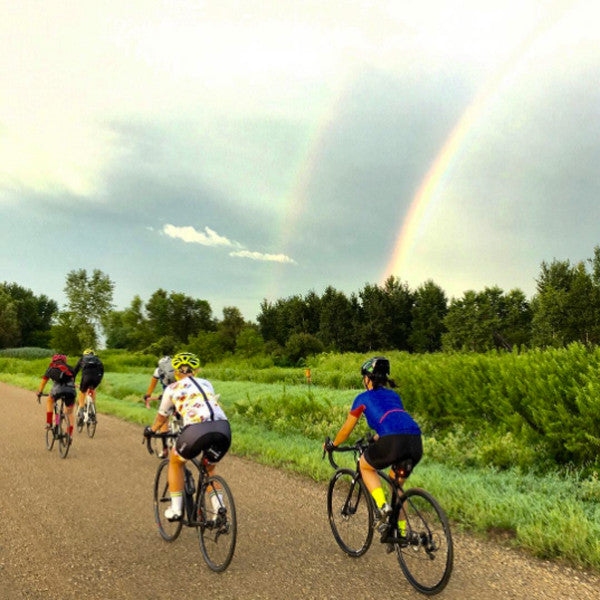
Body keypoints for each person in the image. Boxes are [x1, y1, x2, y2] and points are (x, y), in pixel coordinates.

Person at [327, 356, 422, 536]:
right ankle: (402, 534)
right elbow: (394, 421)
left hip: (393, 441)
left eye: (364, 376)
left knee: (365, 465)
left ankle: (382, 507)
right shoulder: (394, 395)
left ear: (368, 378)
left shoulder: (363, 398)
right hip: (415, 441)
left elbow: (346, 430)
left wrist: (333, 444)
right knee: (397, 487)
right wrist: (377, 438)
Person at [143, 352, 231, 521]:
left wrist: (152, 431)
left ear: (175, 372)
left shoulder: (171, 388)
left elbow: (162, 417)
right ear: (196, 370)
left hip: (197, 429)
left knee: (175, 461)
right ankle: (219, 508)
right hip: (223, 428)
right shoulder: (206, 383)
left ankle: (176, 509)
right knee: (209, 468)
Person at [36, 354, 77, 438]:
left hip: (57, 391)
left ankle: (49, 422)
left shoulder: (51, 368)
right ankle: (69, 434)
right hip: (70, 391)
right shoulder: (70, 368)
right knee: (69, 413)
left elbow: (44, 381)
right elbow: (72, 380)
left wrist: (40, 392)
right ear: (65, 361)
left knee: (50, 400)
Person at [144, 355, 177, 457]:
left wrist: (148, 395)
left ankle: (164, 449)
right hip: (182, 393)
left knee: (163, 420)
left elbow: (152, 384)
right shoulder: (178, 369)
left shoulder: (158, 370)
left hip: (168, 394)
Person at [72, 348, 104, 426]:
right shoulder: (98, 360)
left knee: (82, 392)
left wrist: (72, 382)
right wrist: (98, 381)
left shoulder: (82, 359)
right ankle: (93, 408)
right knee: (93, 389)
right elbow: (102, 371)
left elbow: (75, 372)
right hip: (97, 378)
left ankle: (81, 411)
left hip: (86, 378)